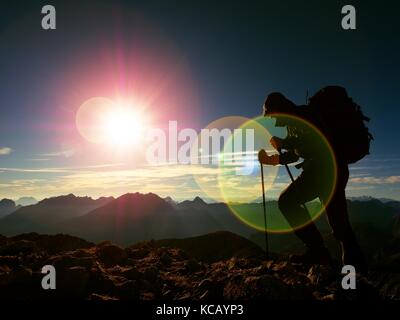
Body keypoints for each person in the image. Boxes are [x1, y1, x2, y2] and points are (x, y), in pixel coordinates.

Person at [258, 92, 367, 273]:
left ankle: (324, 256)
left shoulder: (304, 115)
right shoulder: (296, 123)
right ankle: (355, 275)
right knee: (340, 226)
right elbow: (297, 153)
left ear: (280, 108)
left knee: (288, 202)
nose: (272, 119)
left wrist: (284, 142)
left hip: (324, 172)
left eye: (272, 114)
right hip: (330, 171)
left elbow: (315, 141)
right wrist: (272, 159)